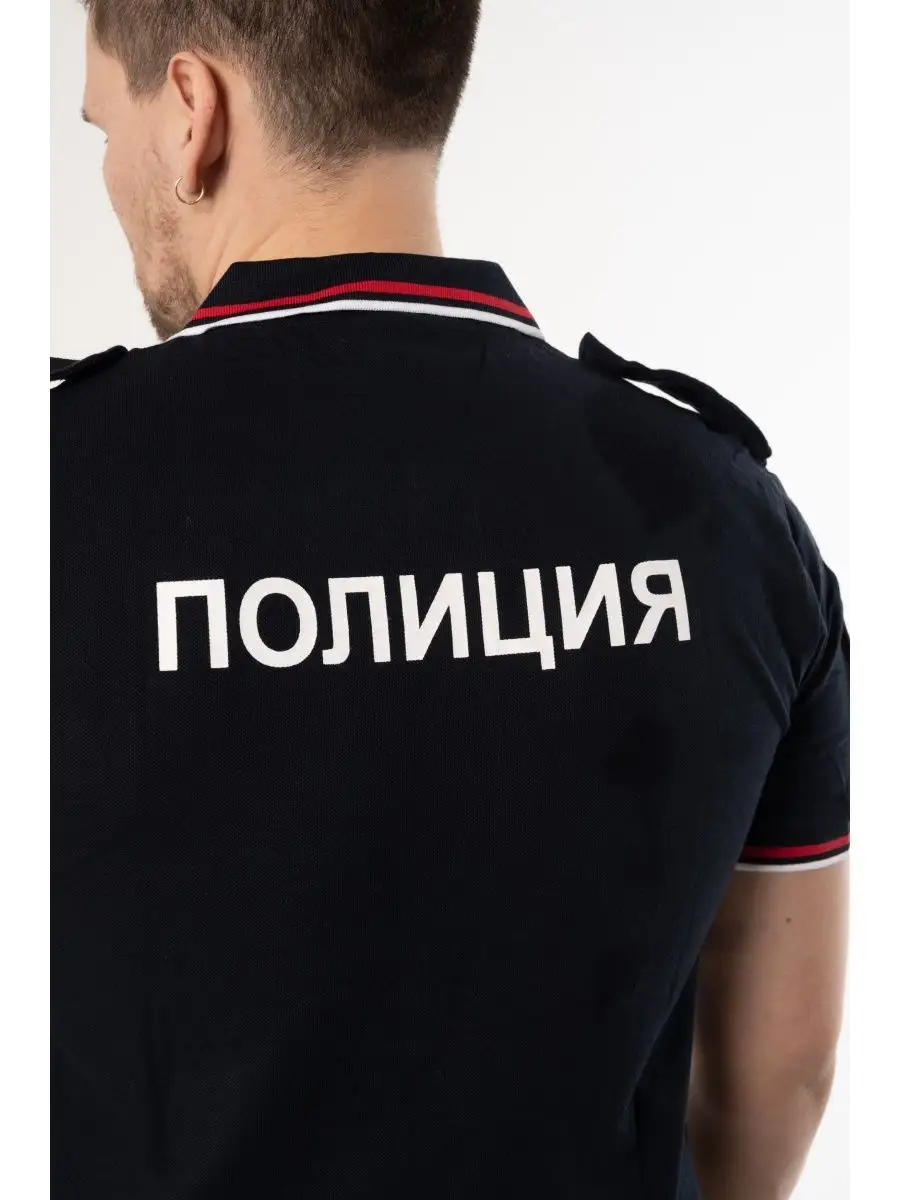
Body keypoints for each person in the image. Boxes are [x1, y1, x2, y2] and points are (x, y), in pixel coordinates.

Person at [52, 3, 849, 1199]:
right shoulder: (727, 515)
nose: (111, 171)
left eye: (102, 126)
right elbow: (773, 1081)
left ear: (192, 112)